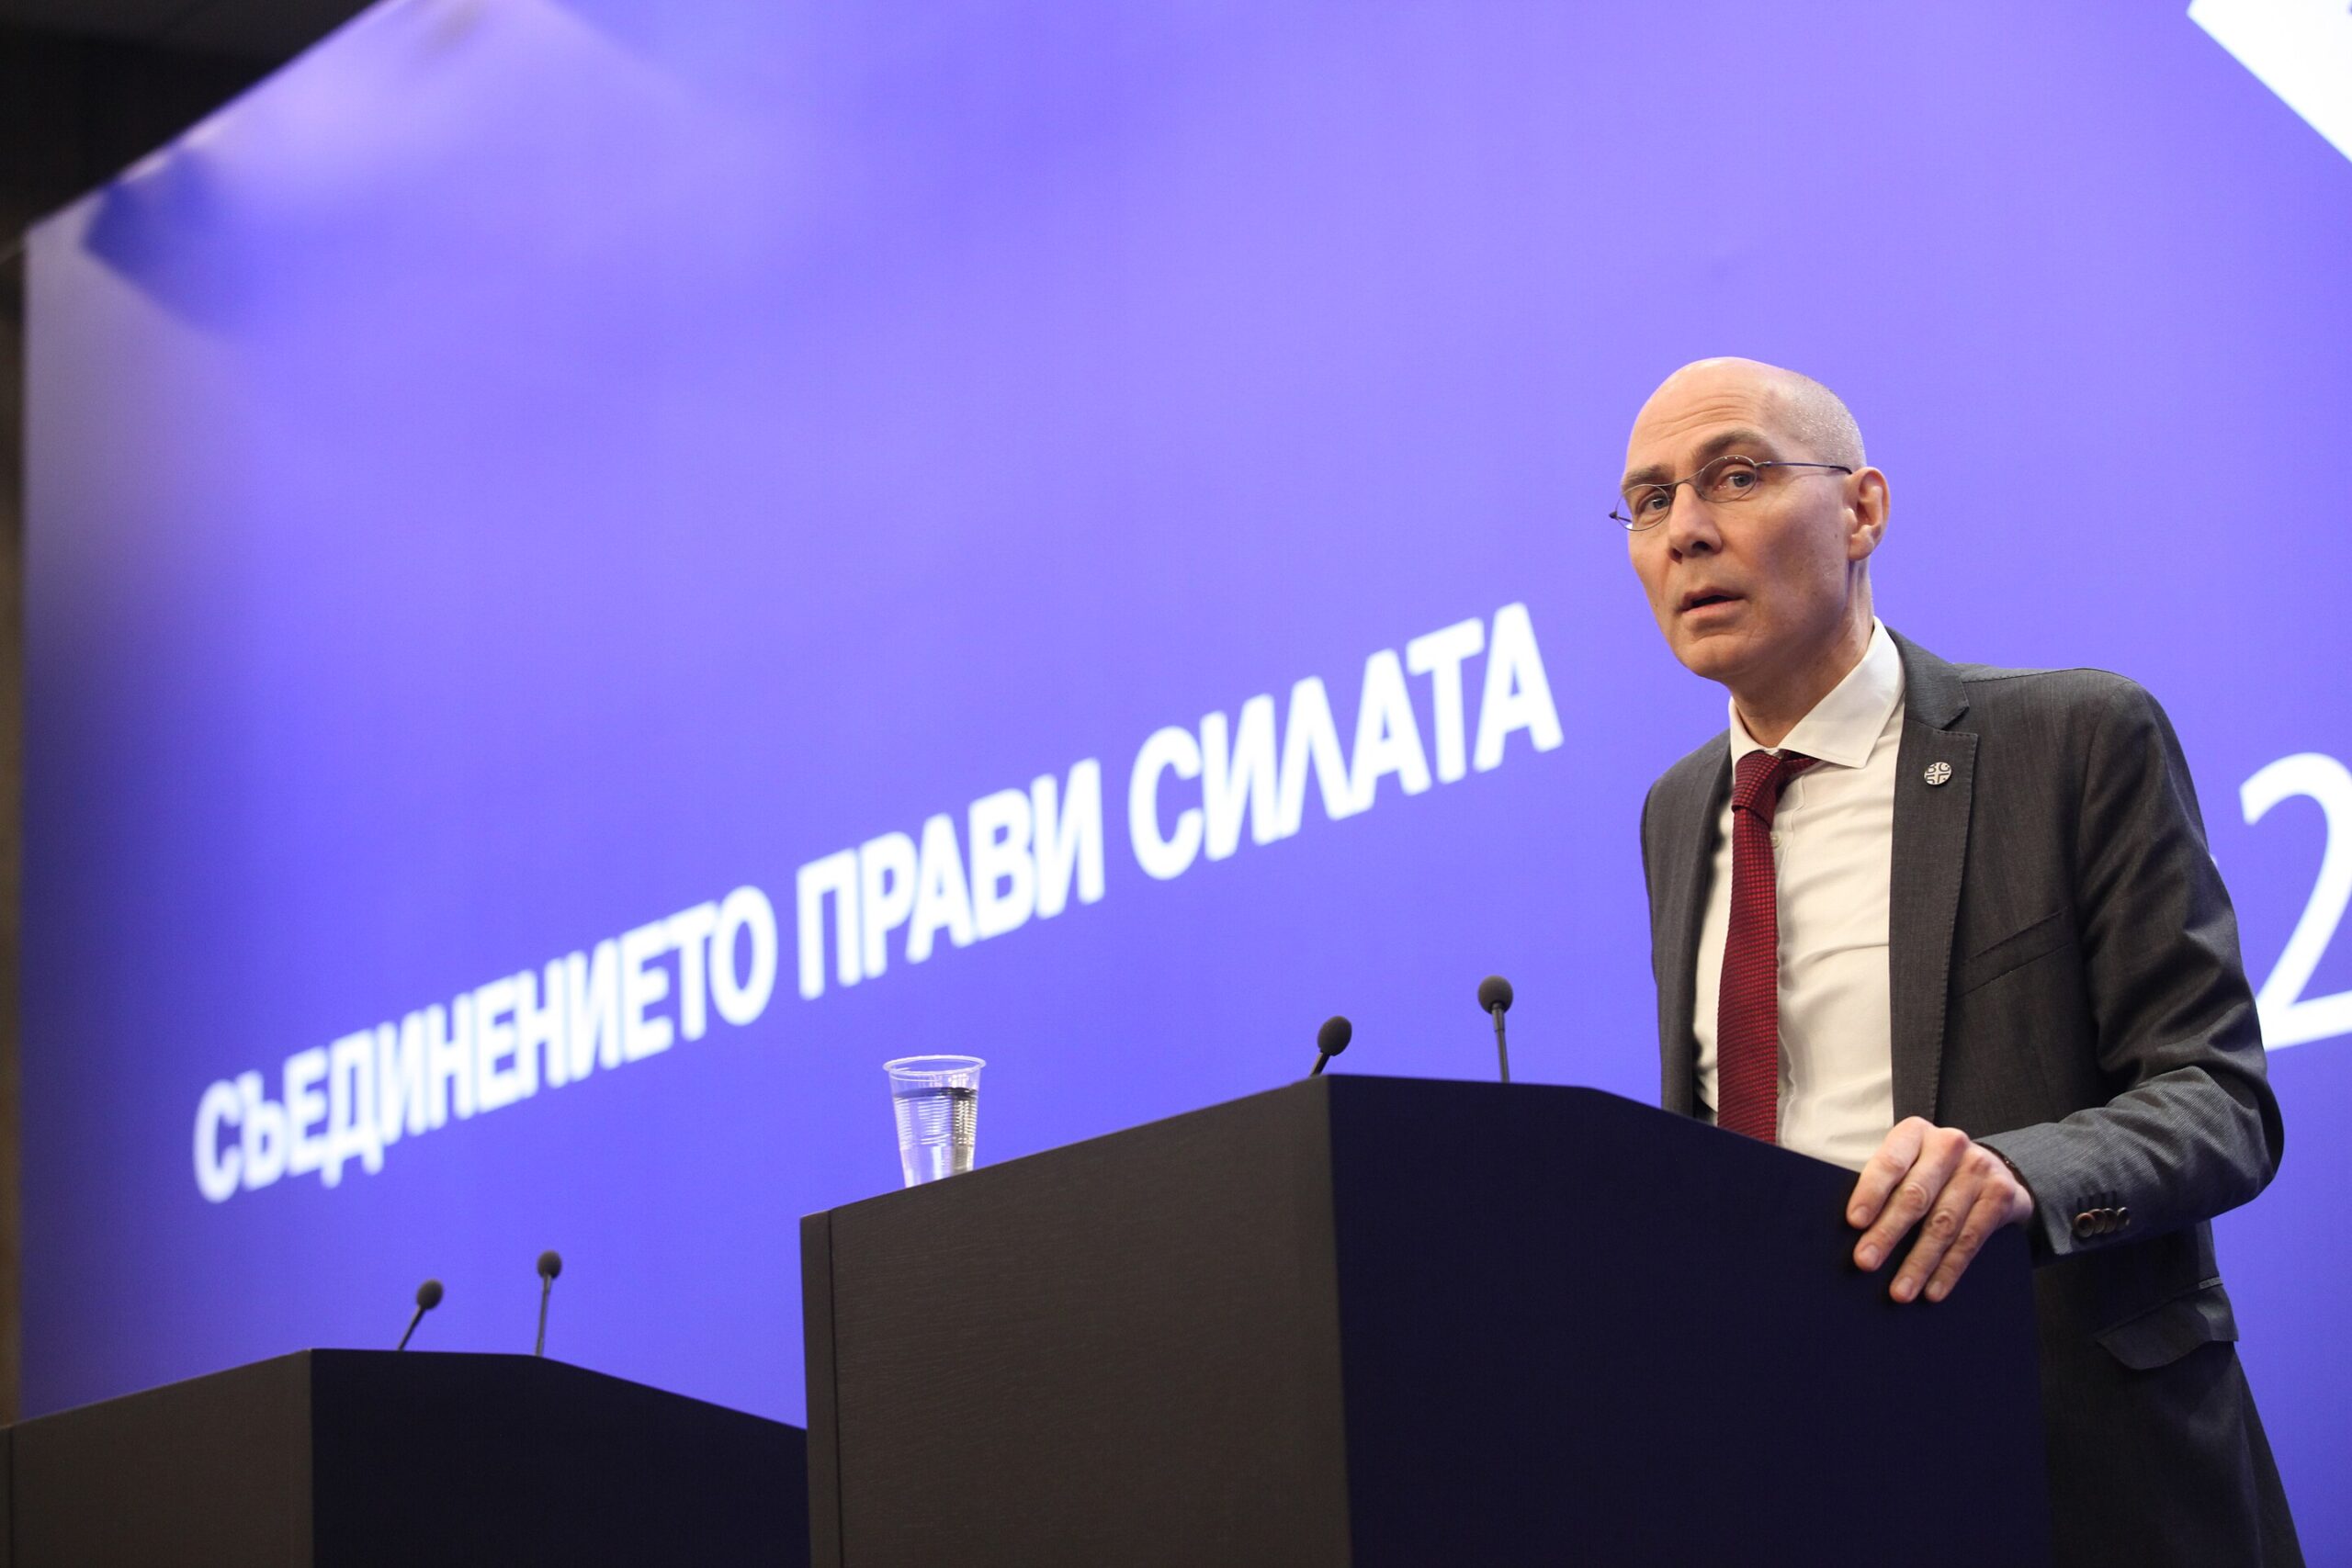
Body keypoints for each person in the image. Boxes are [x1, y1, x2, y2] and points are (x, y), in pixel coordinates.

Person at [1625, 357, 2300, 1566]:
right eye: (1648, 500)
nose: (1686, 532)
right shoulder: (1679, 815)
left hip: (2079, 1469)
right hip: (1806, 1474)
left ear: (1864, 509)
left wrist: (2016, 1174)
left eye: (1735, 475)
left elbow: (2222, 1101)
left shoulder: (2074, 739)